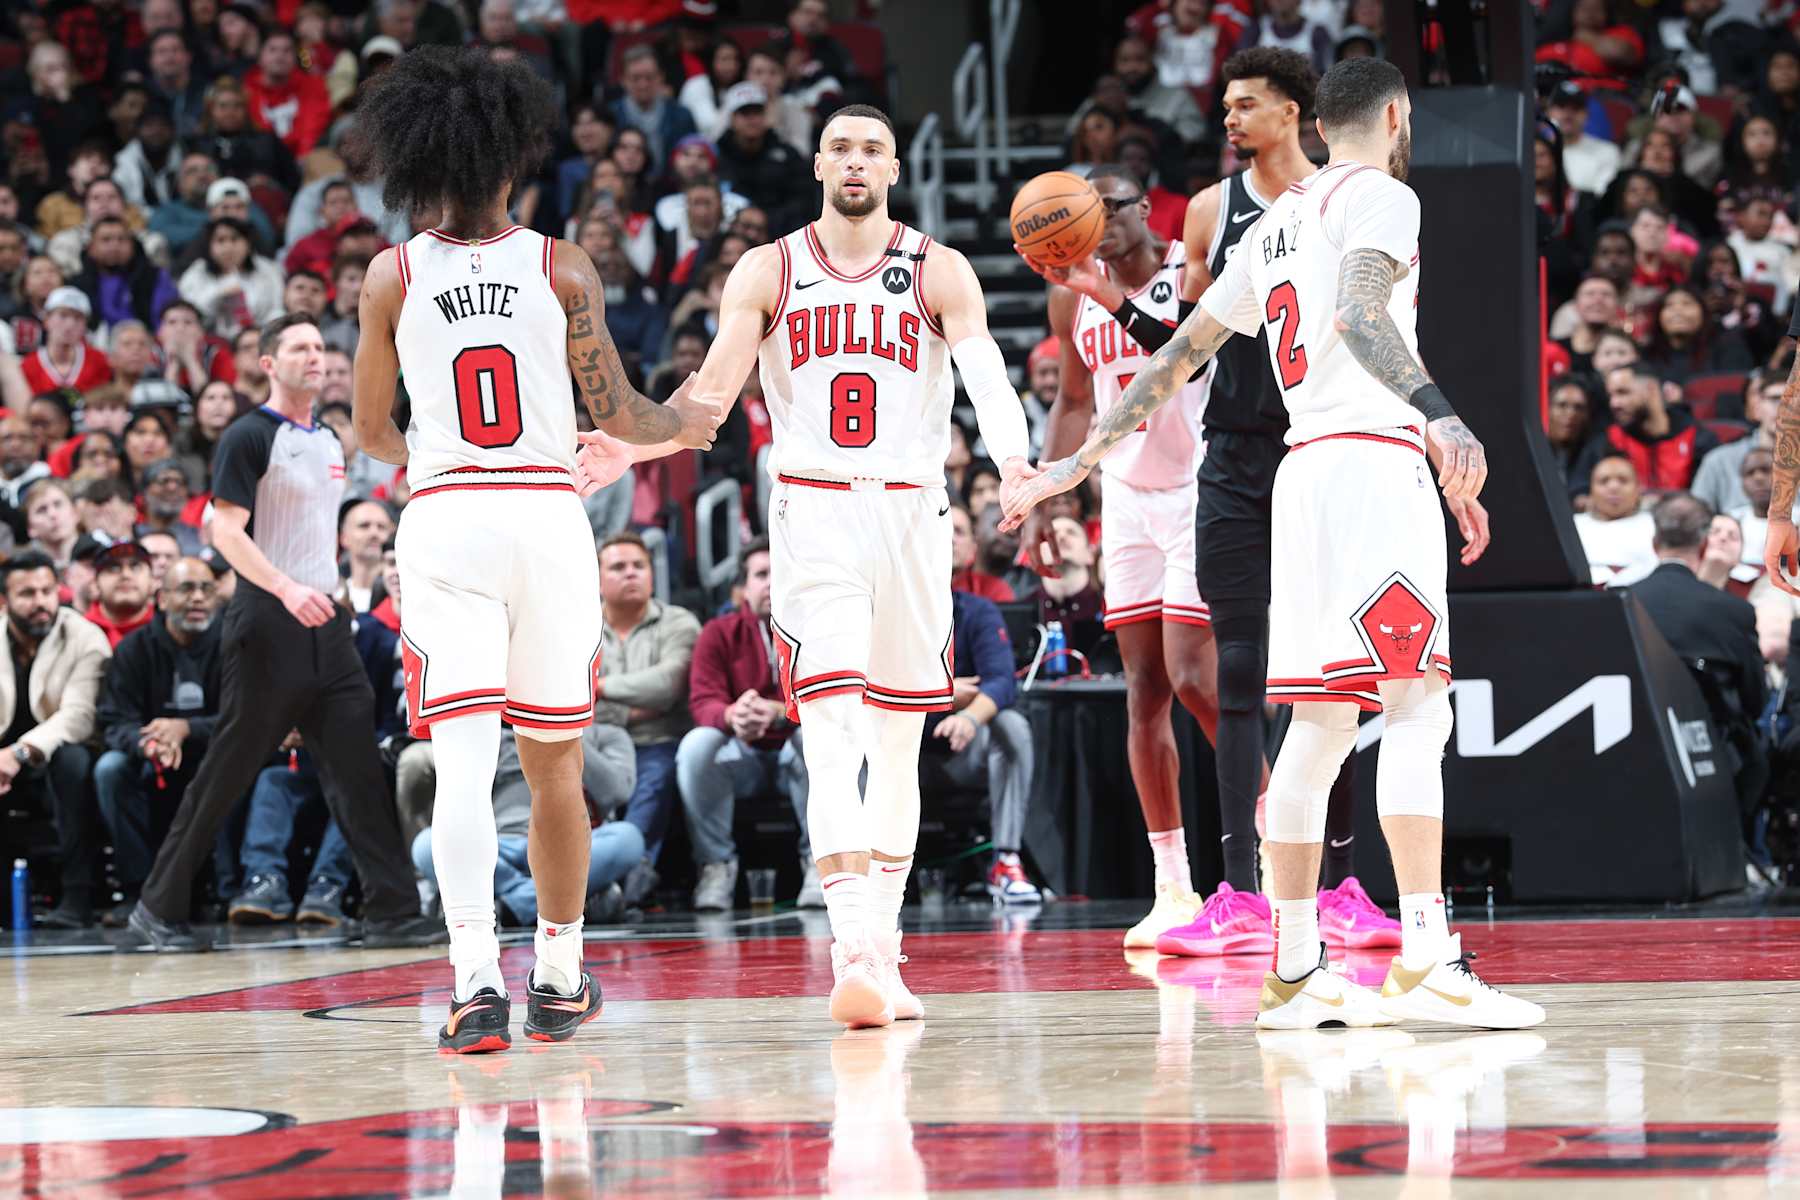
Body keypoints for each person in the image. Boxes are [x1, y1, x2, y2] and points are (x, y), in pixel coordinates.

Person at [1002, 58, 1542, 1030]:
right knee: (1416, 712)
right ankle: (1424, 954)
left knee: (1322, 725)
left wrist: (1079, 460)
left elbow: (1174, 358)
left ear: (1318, 120)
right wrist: (1441, 416)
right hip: (1371, 470)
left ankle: (1296, 971)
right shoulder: (1381, 196)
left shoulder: (1275, 220)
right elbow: (1363, 316)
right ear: (1392, 116)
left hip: (1298, 483)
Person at [344, 47, 718, 1053]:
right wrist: (687, 418)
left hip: (448, 514)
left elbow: (372, 430)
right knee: (554, 768)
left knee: (460, 764)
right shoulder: (563, 265)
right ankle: (557, 976)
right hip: (547, 520)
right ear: (514, 159)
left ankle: (473, 987)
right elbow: (622, 412)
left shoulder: (391, 274)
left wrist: (435, 450)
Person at [639, 102, 1033, 1030]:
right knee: (833, 723)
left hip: (911, 510)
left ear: (893, 168)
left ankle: (883, 953)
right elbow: (715, 388)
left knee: (898, 739)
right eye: (842, 148)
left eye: (872, 150)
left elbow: (985, 374)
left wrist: (1013, 460)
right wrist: (636, 442)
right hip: (813, 509)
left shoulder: (939, 266)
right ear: (819, 164)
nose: (856, 162)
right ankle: (851, 947)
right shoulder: (767, 267)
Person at [122, 313, 440, 955]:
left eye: (320, 347)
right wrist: (286, 589)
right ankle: (156, 909)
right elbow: (225, 531)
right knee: (228, 772)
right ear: (269, 364)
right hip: (268, 621)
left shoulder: (327, 438)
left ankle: (394, 909)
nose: (315, 357)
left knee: (357, 771)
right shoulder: (247, 434)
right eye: (299, 348)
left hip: (328, 624)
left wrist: (320, 593)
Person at [1021, 153, 1240, 945]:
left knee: (1196, 681)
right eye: (1078, 210)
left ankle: (1278, 859)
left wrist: (1104, 293)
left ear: (1147, 208)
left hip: (1200, 493)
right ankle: (1173, 887)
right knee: (1143, 688)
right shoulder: (1066, 299)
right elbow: (1076, 402)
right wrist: (1054, 492)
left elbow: (1190, 352)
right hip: (1128, 499)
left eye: (1106, 207)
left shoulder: (1193, 268)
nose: (1094, 223)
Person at [677, 537, 817, 912]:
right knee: (696, 745)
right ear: (743, 587)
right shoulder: (718, 632)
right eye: (761, 574)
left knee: (817, 738)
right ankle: (716, 865)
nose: (772, 582)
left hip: (796, 751)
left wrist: (776, 711)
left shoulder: (818, 628)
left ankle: (821, 863)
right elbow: (702, 701)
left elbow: (834, 703)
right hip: (745, 756)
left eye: (780, 572)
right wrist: (732, 716)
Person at [94, 556, 221, 928]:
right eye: (186, 588)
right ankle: (138, 893)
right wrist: (148, 743)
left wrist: (185, 729)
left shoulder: (233, 643)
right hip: (152, 760)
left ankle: (220, 890)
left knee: (236, 764)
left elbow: (242, 717)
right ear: (161, 599)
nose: (197, 598)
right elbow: (114, 721)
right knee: (110, 770)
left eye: (206, 589)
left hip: (211, 757)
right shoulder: (133, 650)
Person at [1635, 492, 1767, 828]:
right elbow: (1755, 701)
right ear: (1705, 546)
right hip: (1716, 759)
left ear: (1654, 544)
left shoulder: (1622, 603)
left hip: (1636, 750)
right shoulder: (1733, 610)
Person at [0, 550, 111, 928]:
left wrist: (18, 752)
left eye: (48, 591)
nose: (41, 602)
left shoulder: (85, 636)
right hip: (4, 764)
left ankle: (78, 897)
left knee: (72, 760)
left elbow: (79, 717)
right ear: (5, 601)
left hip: (57, 761)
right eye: (27, 594)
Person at [921, 586, 1039, 903]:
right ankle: (857, 871)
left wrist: (970, 717)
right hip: (897, 755)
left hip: (960, 753)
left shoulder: (976, 611)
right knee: (849, 735)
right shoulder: (886, 611)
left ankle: (1005, 861)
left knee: (1012, 726)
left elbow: (1002, 682)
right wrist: (942, 690)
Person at [593, 531, 699, 875]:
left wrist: (601, 688)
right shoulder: (580, 626)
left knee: (655, 778)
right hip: (594, 743)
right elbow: (569, 690)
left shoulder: (679, 622)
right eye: (618, 567)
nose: (631, 573)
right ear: (597, 579)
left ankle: (629, 872)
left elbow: (668, 686)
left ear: (652, 574)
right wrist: (637, 707)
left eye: (639, 565)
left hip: (656, 741)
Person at [1602, 362, 1719, 492]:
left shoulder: (1697, 439)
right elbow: (1581, 490)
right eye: (1610, 396)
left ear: (1651, 389)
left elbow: (1704, 499)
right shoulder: (1612, 439)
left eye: (1623, 392)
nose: (1614, 403)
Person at [21, 287, 110, 395]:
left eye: (78, 318)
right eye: (63, 315)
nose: (70, 325)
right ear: (46, 319)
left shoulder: (99, 361)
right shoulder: (28, 365)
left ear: (85, 325)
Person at [84, 540, 156, 649]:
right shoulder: (79, 632)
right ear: (95, 582)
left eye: (135, 567)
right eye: (113, 568)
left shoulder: (170, 630)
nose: (126, 575)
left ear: (152, 580)